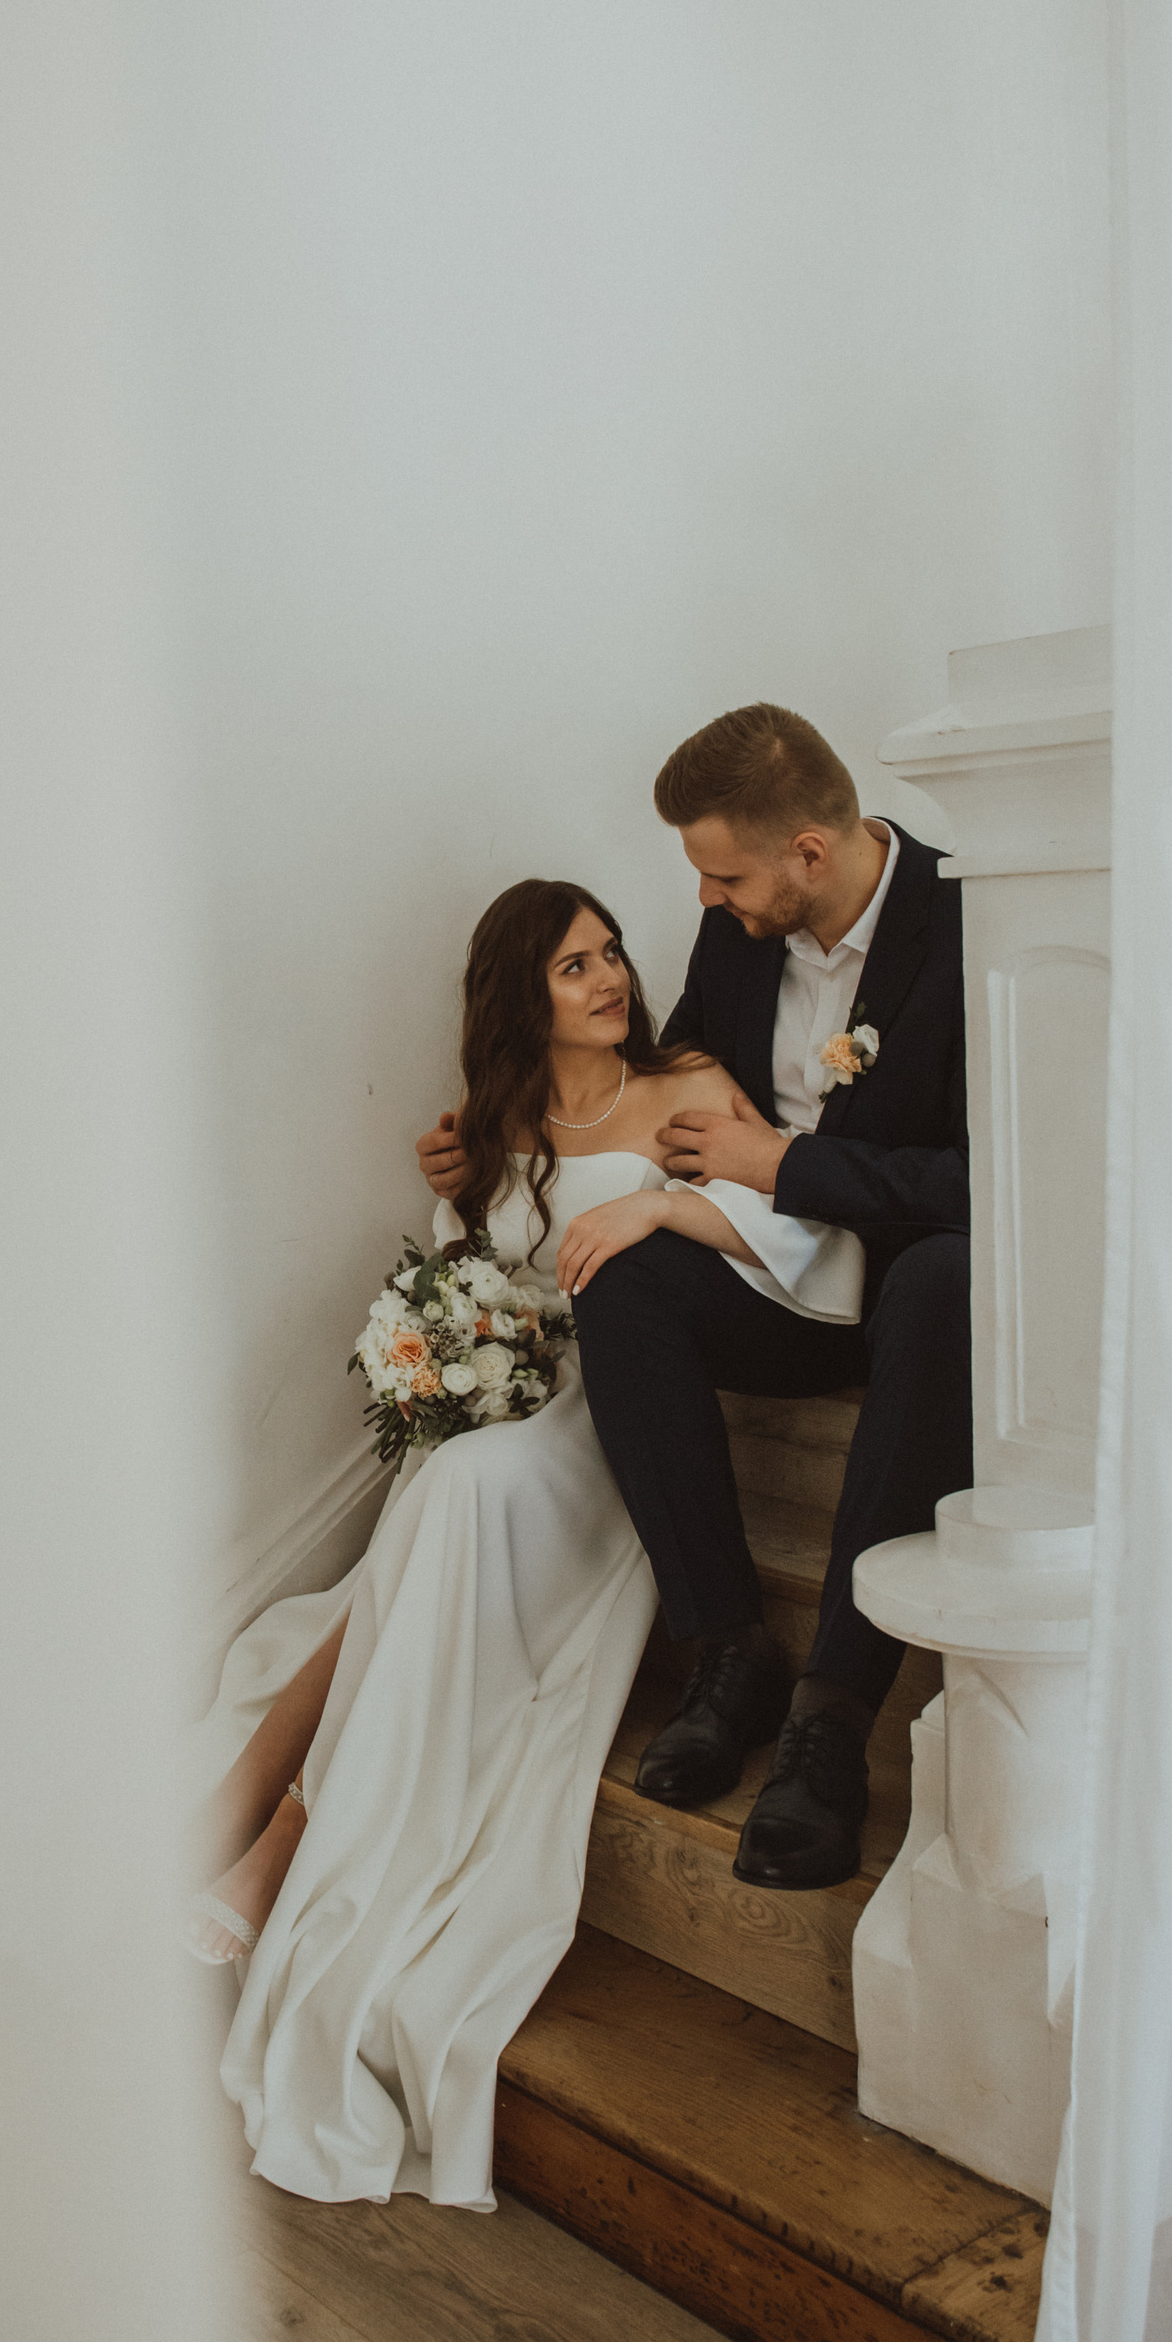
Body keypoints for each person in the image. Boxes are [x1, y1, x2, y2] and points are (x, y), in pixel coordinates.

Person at [184, 878, 861, 2209]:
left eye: (610, 954)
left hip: (619, 1423)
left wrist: (663, 1209)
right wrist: (449, 1345)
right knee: (448, 1487)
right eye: (573, 966)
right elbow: (476, 1272)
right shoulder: (493, 1129)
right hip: (517, 1413)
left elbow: (790, 1229)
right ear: (520, 996)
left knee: (453, 1496)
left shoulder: (685, 1086)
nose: (610, 980)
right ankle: (268, 1826)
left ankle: (266, 1831)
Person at [418, 704, 972, 1891]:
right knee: (624, 1273)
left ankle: (831, 1719)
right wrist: (501, 1147)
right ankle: (727, 1648)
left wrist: (791, 1164)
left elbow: (992, 1179)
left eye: (723, 877)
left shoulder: (975, 920)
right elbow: (666, 1084)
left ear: (808, 853)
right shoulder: (740, 933)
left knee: (947, 1280)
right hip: (768, 1276)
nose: (706, 902)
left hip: (906, 1286)